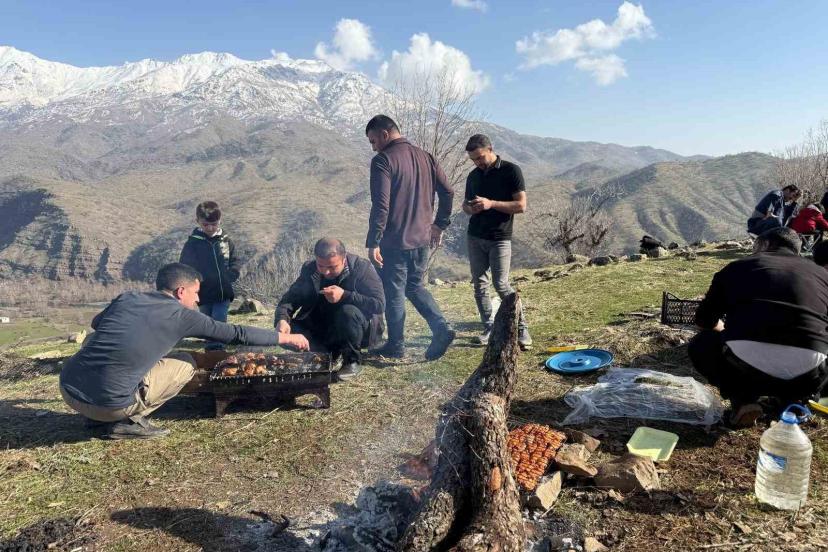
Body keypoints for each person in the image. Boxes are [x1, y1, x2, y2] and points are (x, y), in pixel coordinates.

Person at [59, 263, 309, 440]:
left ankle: (99, 414)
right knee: (186, 362)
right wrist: (286, 337)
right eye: (195, 293)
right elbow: (236, 334)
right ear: (181, 292)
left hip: (69, 390)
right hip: (109, 406)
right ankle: (123, 422)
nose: (198, 300)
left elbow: (97, 323)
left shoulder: (128, 298)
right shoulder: (182, 315)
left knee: (93, 340)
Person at [688, 228, 828, 427]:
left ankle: (743, 401)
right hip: (808, 374)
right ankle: (794, 401)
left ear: (764, 244)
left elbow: (704, 320)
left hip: (747, 370)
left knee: (702, 344)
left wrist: (726, 331)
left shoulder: (736, 268)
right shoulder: (821, 274)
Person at [364, 114, 455, 360]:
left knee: (394, 293)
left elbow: (381, 205)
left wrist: (373, 241)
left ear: (384, 134)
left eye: (373, 141)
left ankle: (396, 345)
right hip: (422, 238)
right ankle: (441, 328)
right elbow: (448, 192)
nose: (373, 147)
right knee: (414, 286)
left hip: (395, 241)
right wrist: (439, 225)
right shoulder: (426, 157)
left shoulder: (383, 160)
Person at [275, 238, 385, 380]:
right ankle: (325, 355)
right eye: (321, 266)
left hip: (355, 328)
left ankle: (352, 361)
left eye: (332, 267)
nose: (326, 272)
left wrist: (344, 295)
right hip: (324, 325)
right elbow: (290, 298)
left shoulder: (362, 268)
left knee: (348, 312)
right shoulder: (310, 269)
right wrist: (282, 319)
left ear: (344, 259)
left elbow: (379, 304)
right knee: (288, 329)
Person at [461, 134, 532, 349]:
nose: (477, 162)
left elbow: (521, 206)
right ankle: (489, 328)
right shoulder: (473, 175)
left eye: (480, 157)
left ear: (490, 149)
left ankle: (521, 328)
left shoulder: (511, 170)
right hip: (475, 236)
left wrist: (491, 204)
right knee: (479, 284)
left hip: (500, 237)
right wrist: (470, 208)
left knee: (501, 284)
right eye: (473, 159)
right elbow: (465, 205)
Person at [180, 201, 241, 350]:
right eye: (205, 224)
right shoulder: (193, 244)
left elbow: (235, 260)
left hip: (222, 291)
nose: (210, 228)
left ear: (220, 221)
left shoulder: (226, 240)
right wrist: (192, 284)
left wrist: (232, 274)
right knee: (207, 321)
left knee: (219, 319)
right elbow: (185, 266)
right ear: (198, 221)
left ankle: (216, 349)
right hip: (203, 292)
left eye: (214, 224)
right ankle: (211, 345)